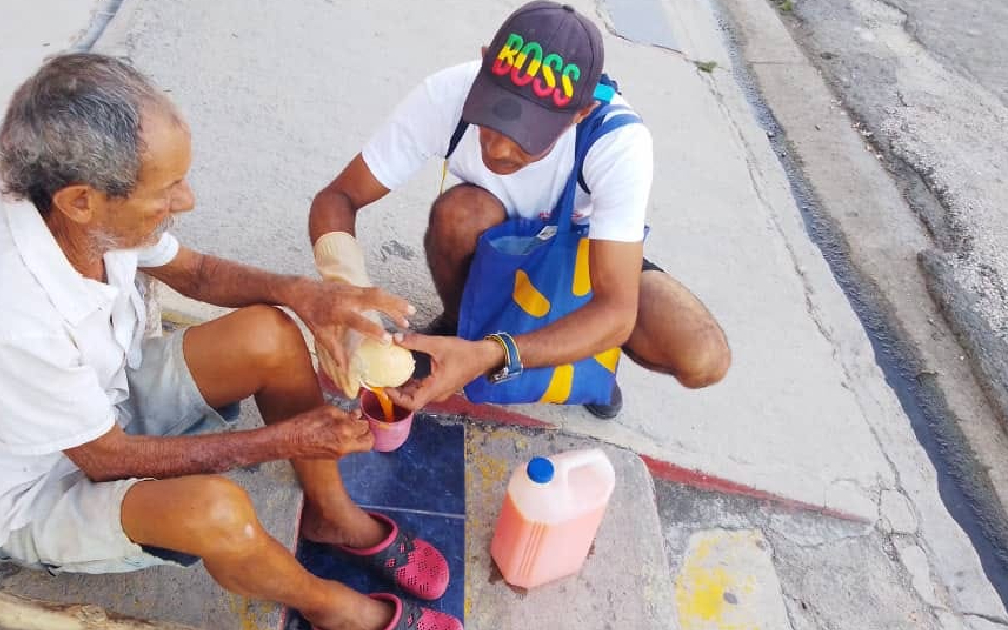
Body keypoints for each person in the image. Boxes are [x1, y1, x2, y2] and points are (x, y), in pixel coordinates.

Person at [0, 54, 462, 630]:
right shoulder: (8, 315)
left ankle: (333, 517)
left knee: (270, 332)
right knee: (217, 513)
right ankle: (336, 610)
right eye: (166, 190)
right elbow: (106, 460)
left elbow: (197, 274)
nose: (186, 200)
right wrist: (279, 440)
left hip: (94, 404)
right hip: (25, 492)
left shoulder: (74, 210)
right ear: (81, 200)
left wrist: (305, 294)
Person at [309, 1, 730, 419]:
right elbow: (338, 198)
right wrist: (348, 298)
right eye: (490, 119)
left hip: (579, 257)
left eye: (528, 135)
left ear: (579, 114)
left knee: (704, 358)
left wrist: (495, 354)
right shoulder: (448, 94)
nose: (498, 148)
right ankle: (463, 327)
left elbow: (616, 310)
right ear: (482, 68)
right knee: (459, 214)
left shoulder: (617, 141)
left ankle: (576, 357)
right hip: (495, 240)